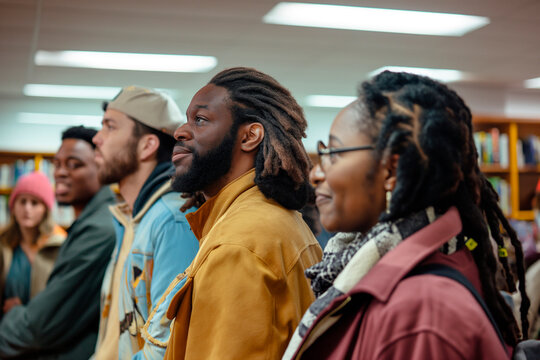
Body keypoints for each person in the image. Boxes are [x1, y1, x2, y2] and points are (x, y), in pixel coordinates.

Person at [283, 71, 531, 359]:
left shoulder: (420, 312)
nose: (316, 173)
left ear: (391, 170)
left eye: (334, 153)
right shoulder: (396, 273)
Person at [154, 67, 322, 359]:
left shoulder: (239, 244)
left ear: (249, 136)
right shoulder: (268, 220)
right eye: (186, 119)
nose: (180, 131)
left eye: (201, 120)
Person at [92, 86, 199, 359]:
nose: (97, 138)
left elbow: (168, 345)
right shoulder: (131, 218)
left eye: (110, 127)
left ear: (147, 145)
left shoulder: (172, 220)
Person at [0, 126, 116, 358]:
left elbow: (40, 324)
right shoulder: (84, 225)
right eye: (58, 164)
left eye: (74, 164)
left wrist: (15, 315)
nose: (61, 172)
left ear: (101, 166)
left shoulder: (97, 230)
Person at [0, 171, 66, 314]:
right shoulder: (4, 245)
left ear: (45, 210)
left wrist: (22, 311)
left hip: (45, 330)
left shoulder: (59, 246)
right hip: (7, 329)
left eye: (34, 203)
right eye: (22, 201)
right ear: (13, 206)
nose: (27, 209)